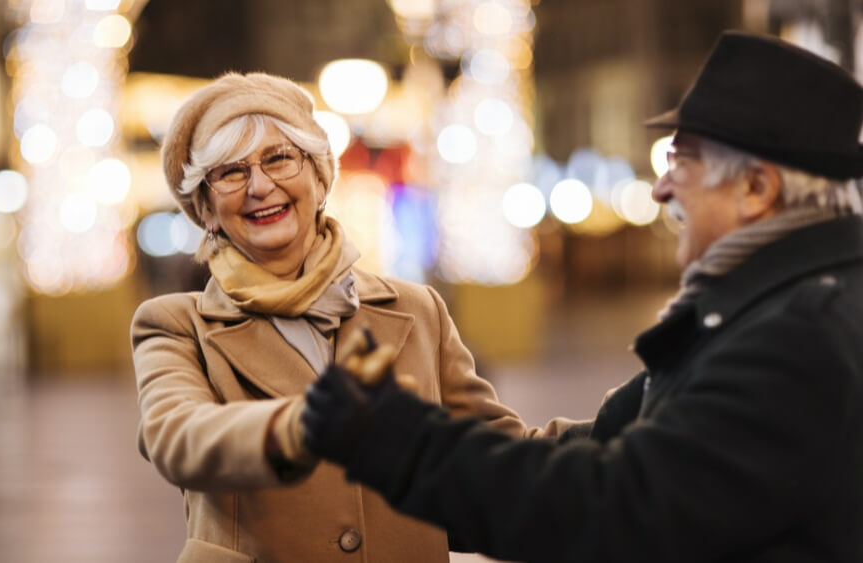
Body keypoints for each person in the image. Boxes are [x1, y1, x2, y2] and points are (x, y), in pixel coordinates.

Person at [300, 30, 863, 563]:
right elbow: (608, 449)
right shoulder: (773, 307)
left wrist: (399, 439)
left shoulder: (798, 335)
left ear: (757, 188)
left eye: (681, 161)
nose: (663, 187)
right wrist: (406, 444)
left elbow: (612, 506)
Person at [130, 71, 572, 563]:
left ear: (319, 179)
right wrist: (303, 424)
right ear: (206, 209)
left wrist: (630, 416)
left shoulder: (416, 309)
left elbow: (496, 458)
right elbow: (177, 438)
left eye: (279, 158)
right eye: (230, 173)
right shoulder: (174, 324)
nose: (260, 185)